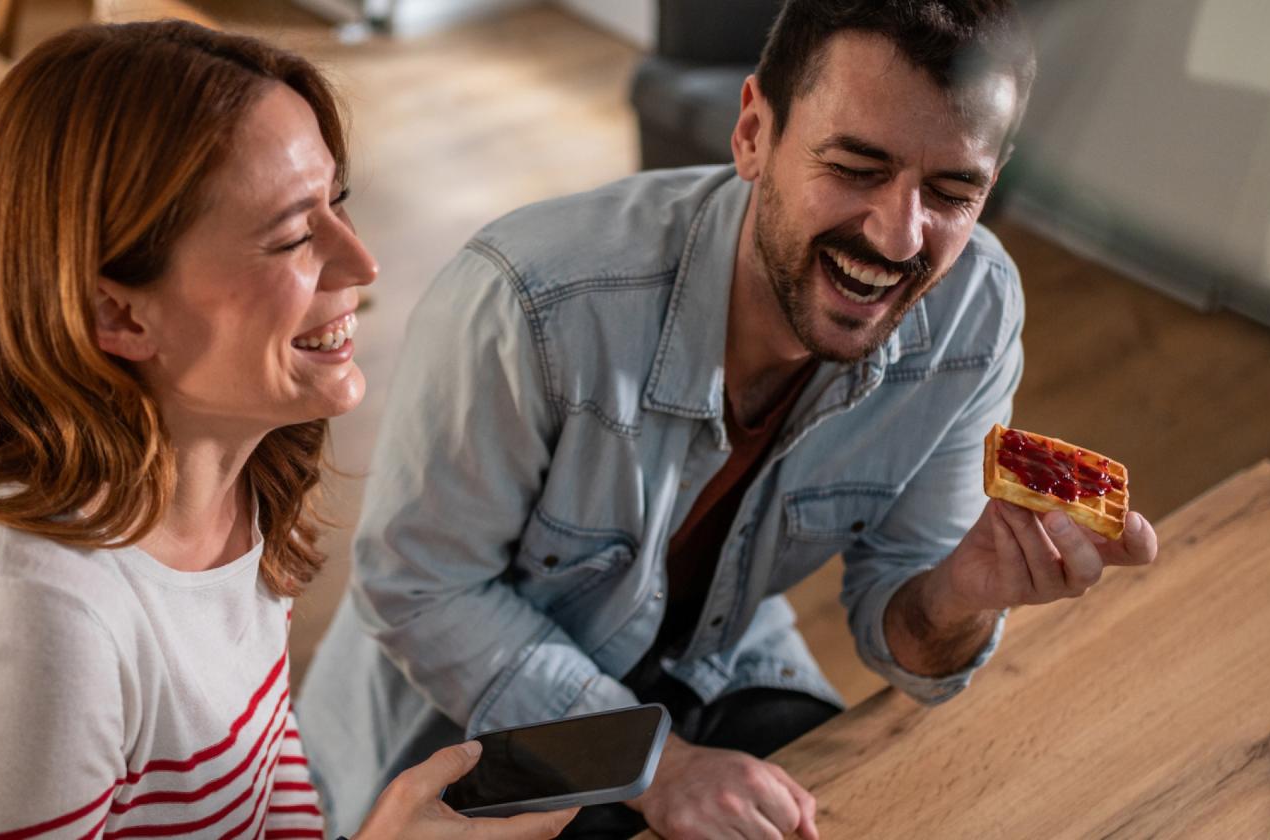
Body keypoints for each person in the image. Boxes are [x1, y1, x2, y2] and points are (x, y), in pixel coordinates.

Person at [297, 2, 1160, 837]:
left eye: (951, 190)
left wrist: (962, 595)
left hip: (712, 663)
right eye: (856, 168)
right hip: (457, 727)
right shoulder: (529, 302)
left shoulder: (974, 308)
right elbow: (420, 592)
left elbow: (907, 636)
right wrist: (661, 769)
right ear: (753, 134)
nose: (899, 237)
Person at [0, 22, 576, 840]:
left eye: (335, 203)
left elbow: (270, 794)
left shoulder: (234, 482)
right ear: (117, 312)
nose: (361, 263)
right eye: (295, 235)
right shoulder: (35, 623)